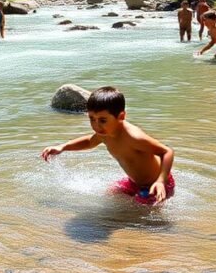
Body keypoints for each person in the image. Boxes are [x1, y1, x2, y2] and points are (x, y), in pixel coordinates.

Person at [40, 87, 175, 204]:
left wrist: (161, 181)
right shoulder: (104, 133)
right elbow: (89, 142)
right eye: (92, 119)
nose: (96, 125)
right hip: (134, 183)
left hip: (156, 184)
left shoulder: (133, 137)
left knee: (139, 214)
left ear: (121, 116)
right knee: (110, 196)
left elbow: (166, 152)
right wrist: (63, 147)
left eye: (103, 120)